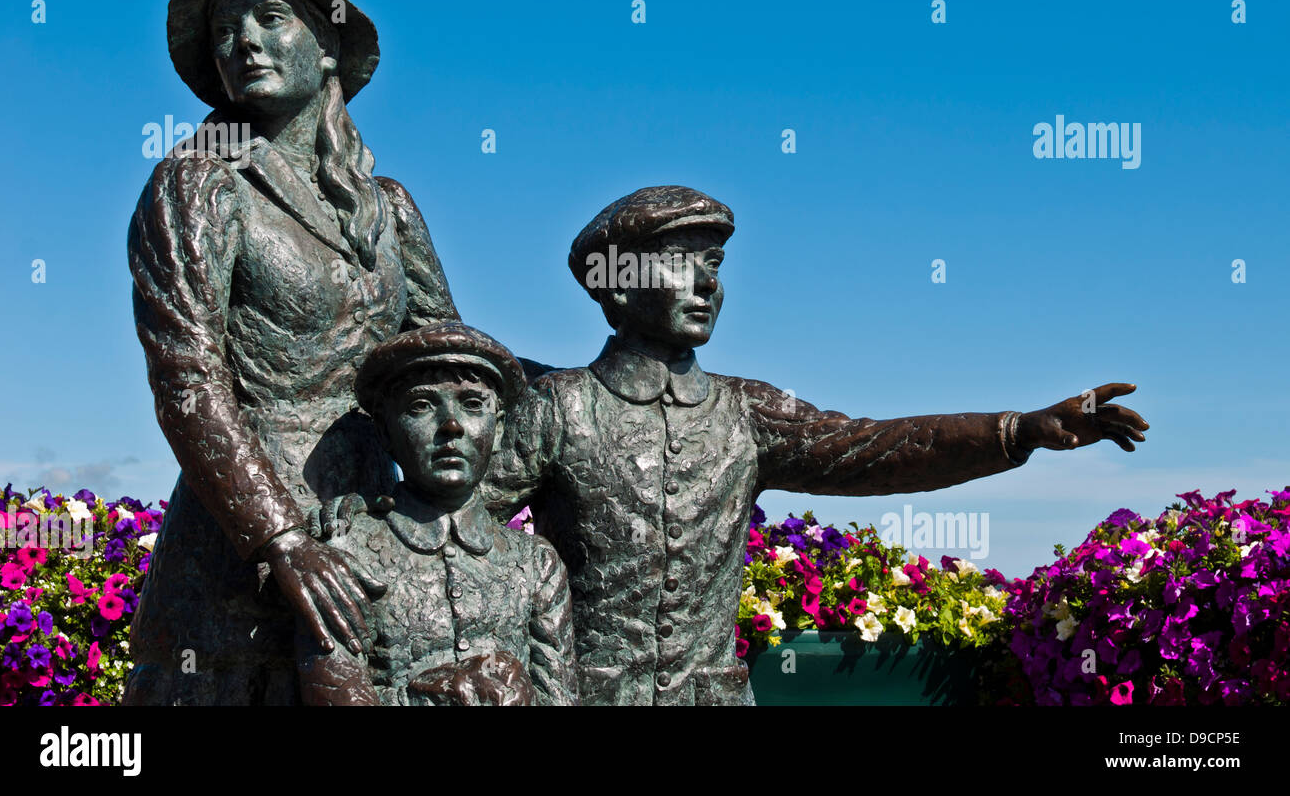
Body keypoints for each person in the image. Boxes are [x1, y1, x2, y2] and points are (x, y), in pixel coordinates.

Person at [489, 185, 1150, 705]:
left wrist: (1016, 430)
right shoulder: (560, 406)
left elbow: (871, 449)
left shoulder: (745, 410)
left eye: (714, 265)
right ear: (619, 284)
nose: (708, 283)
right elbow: (464, 533)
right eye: (681, 264)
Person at [124, 0, 458, 705]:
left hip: (368, 544)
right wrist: (282, 540)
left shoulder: (390, 207)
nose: (243, 41)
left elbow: (451, 363)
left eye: (271, 19)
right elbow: (187, 379)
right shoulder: (200, 180)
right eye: (225, 32)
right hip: (232, 577)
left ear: (329, 44)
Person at [297, 322, 576, 706]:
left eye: (473, 405)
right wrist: (417, 699)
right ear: (384, 432)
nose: (451, 426)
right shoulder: (345, 553)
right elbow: (330, 692)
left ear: (500, 430)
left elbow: (560, 697)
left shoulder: (537, 564)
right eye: (421, 406)